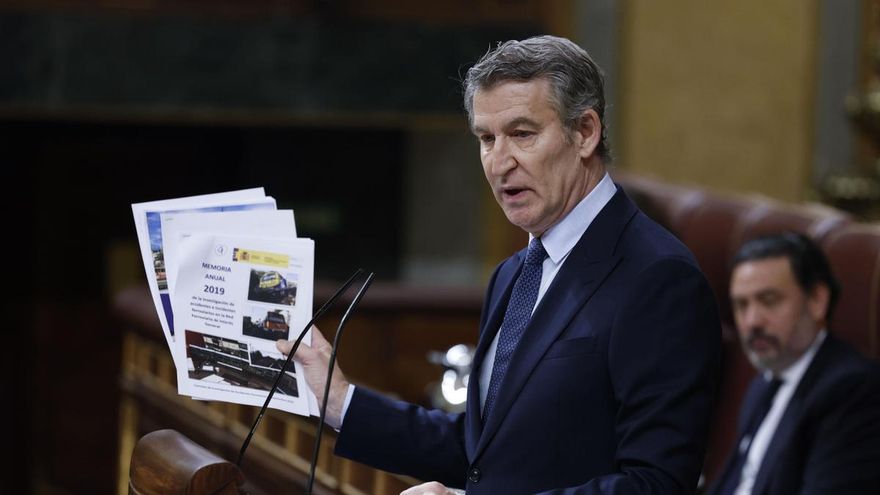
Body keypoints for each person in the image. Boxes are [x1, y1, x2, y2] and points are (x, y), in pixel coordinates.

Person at [279, 35, 721, 494]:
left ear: (585, 132)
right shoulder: (514, 274)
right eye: (486, 139)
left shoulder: (659, 278)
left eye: (522, 134)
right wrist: (338, 402)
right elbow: (485, 456)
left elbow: (656, 484)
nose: (498, 162)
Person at [707, 232, 880, 495]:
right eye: (741, 305)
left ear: (817, 301)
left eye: (769, 300)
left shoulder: (853, 392)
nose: (752, 321)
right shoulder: (765, 381)